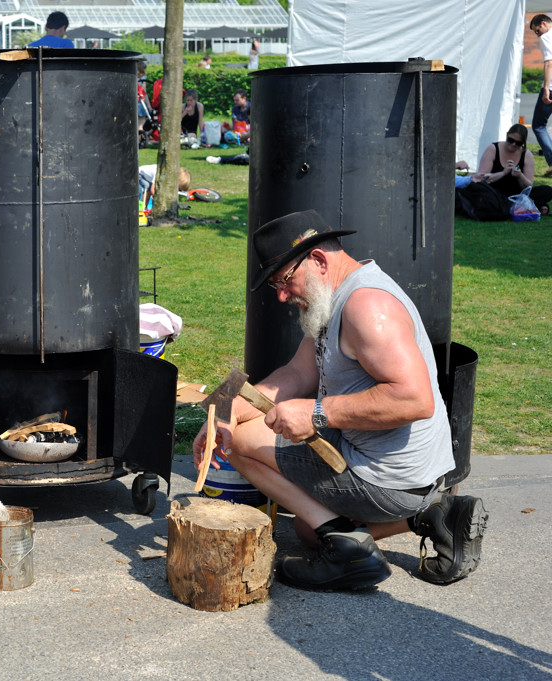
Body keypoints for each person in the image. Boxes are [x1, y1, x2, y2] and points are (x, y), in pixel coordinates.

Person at [193, 210, 488, 591]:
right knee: (307, 530)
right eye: (275, 287)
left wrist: (317, 413)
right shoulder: (334, 299)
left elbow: (415, 400)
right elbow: (295, 374)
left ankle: (354, 555)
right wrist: (223, 411)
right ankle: (434, 513)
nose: (283, 296)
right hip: (394, 472)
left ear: (316, 260)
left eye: (284, 280)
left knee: (244, 443)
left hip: (388, 477)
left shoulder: (366, 307)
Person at [530, 15, 552, 177]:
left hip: (551, 88)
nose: (538, 35)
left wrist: (546, 88)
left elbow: (549, 63)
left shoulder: (546, 37)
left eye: (537, 30)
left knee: (538, 125)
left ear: (544, 23)